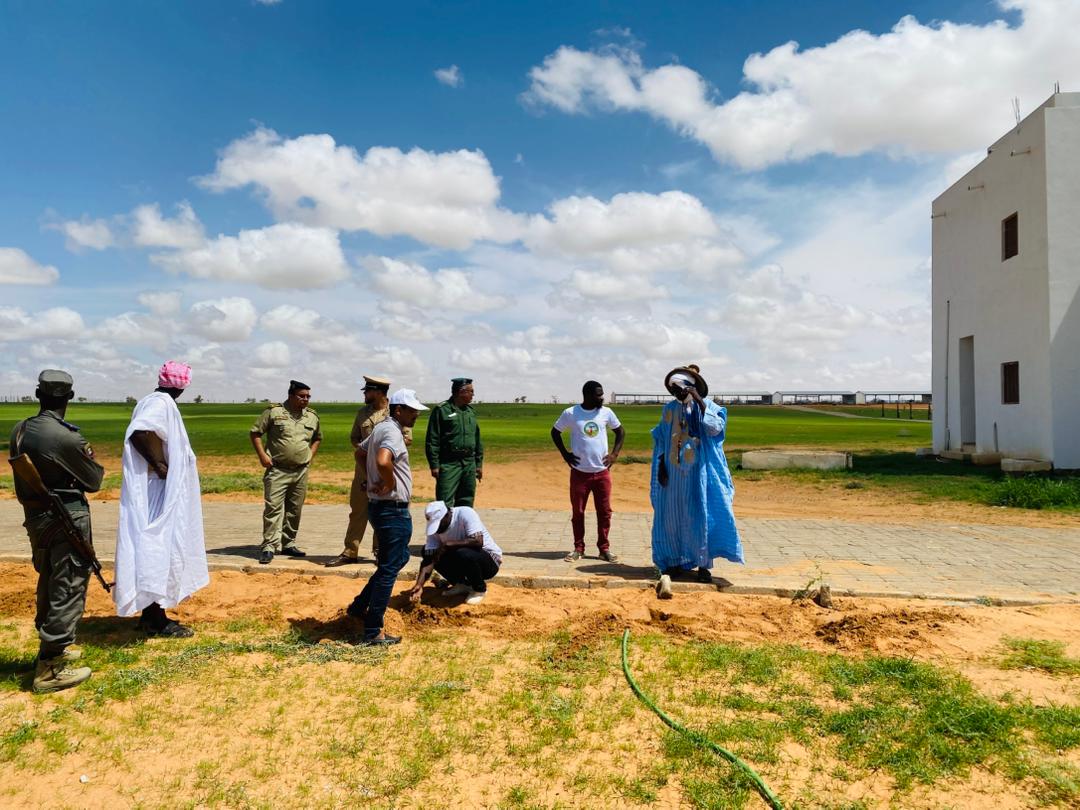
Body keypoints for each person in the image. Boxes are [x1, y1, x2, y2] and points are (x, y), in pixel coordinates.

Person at [9, 370, 104, 692]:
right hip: (67, 518)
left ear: (38, 394)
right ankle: (50, 666)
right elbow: (94, 480)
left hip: (36, 518)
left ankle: (51, 645)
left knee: (49, 578)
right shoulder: (67, 438)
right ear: (70, 397)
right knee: (69, 584)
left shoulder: (21, 429)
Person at [115, 361, 209, 637]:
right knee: (157, 550)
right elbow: (140, 432)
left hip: (159, 490)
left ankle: (151, 614)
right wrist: (160, 467)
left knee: (157, 550)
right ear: (184, 385)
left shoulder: (155, 401)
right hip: (157, 493)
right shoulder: (160, 404)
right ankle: (155, 619)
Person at [345, 388, 427, 646]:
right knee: (390, 568)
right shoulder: (391, 431)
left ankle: (359, 606)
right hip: (392, 509)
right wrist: (388, 482)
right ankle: (373, 630)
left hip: (381, 507)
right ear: (398, 410)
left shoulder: (381, 427)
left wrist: (369, 478)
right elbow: (382, 461)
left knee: (399, 558)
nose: (416, 415)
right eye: (412, 410)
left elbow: (360, 453)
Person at [650, 366, 743, 584]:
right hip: (673, 472)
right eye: (673, 391)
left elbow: (714, 428)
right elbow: (662, 438)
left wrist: (699, 401)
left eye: (680, 389)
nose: (676, 394)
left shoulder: (710, 407)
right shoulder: (669, 409)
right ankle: (673, 562)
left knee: (700, 515)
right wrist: (661, 466)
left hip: (699, 473)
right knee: (671, 518)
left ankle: (703, 565)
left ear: (690, 387)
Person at [325, 375, 412, 567]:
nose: (365, 394)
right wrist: (368, 450)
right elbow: (355, 438)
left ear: (379, 392)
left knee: (384, 510)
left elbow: (406, 439)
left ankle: (380, 551)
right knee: (358, 511)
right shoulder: (362, 413)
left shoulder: (396, 413)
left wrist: (380, 449)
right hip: (363, 471)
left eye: (368, 391)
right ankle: (350, 551)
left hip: (387, 471)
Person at [550, 381, 625, 563]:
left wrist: (614, 454)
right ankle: (578, 548)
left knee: (605, 512)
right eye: (598, 395)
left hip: (602, 472)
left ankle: (604, 549)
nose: (601, 397)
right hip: (579, 472)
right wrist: (566, 455)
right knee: (578, 512)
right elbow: (555, 432)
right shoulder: (571, 413)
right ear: (587, 395)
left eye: (602, 394)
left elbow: (620, 432)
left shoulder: (606, 412)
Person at [250, 380, 322, 564]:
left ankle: (288, 543)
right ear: (291, 395)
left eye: (308, 396)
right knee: (273, 509)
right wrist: (262, 456)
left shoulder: (312, 416)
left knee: (294, 510)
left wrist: (310, 455)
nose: (306, 399)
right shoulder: (274, 412)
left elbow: (317, 438)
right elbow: (255, 432)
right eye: (302, 396)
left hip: (300, 471)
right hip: (277, 469)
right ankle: (269, 546)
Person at [408, 501, 502, 606]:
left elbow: (478, 541)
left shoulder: (465, 513)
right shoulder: (435, 530)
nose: (437, 528)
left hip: (489, 561)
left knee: (463, 553)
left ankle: (479, 589)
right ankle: (461, 584)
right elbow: (429, 559)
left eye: (439, 523)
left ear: (447, 515)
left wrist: (449, 544)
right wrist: (419, 584)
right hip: (463, 558)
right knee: (429, 551)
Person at [425, 378, 483, 507]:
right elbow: (432, 439)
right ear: (461, 392)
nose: (473, 394)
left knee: (466, 501)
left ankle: (462, 521)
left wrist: (478, 464)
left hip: (469, 463)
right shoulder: (442, 410)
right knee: (444, 501)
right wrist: (434, 465)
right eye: (471, 391)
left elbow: (477, 439)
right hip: (449, 463)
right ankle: (445, 521)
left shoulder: (470, 412)